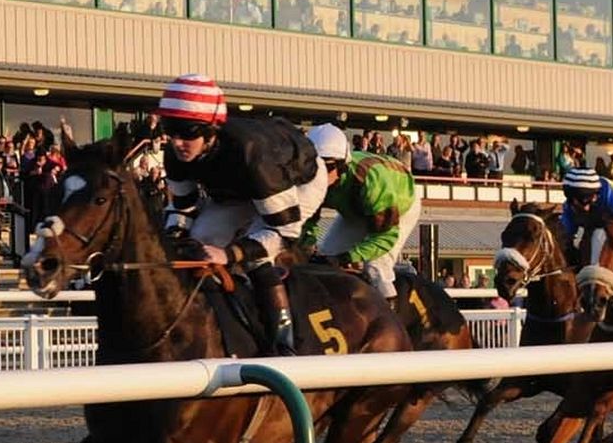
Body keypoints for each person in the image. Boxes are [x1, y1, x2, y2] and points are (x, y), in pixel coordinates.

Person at [158, 74, 327, 355]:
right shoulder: (175, 154)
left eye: (187, 132)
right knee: (198, 242)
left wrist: (230, 254)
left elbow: (284, 231)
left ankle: (283, 343)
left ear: (211, 131)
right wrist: (172, 239)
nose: (177, 142)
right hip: (241, 189)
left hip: (296, 183)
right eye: (170, 130)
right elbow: (183, 207)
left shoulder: (252, 155)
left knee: (256, 256)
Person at [304, 124, 421, 304]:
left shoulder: (370, 180)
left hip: (399, 205)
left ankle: (390, 316)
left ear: (342, 165)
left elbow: (385, 237)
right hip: (357, 209)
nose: (318, 176)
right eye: (313, 167)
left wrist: (348, 257)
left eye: (326, 168)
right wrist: (307, 246)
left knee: (375, 267)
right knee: (326, 255)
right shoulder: (311, 180)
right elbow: (307, 220)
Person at [558, 164, 613, 252]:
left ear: (595, 195)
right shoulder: (569, 206)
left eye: (588, 201)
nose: (586, 208)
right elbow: (566, 237)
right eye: (580, 203)